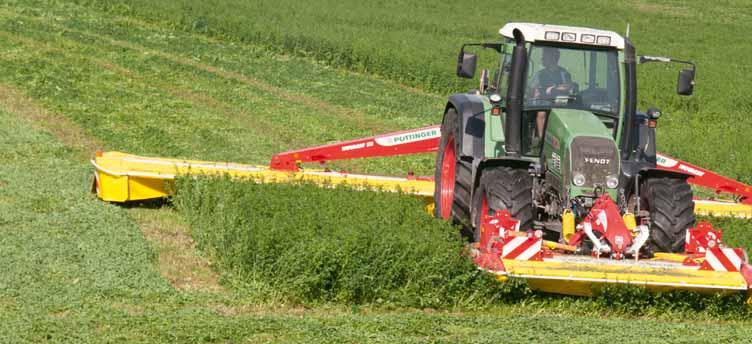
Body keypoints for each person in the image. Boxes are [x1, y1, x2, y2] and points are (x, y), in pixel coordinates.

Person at [530, 47, 573, 139]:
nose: (542, 59)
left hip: (560, 101)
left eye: (545, 56)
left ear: (554, 58)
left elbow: (568, 86)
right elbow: (534, 88)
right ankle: (542, 139)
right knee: (541, 113)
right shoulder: (540, 74)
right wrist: (535, 93)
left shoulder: (563, 73)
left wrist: (553, 88)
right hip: (543, 101)